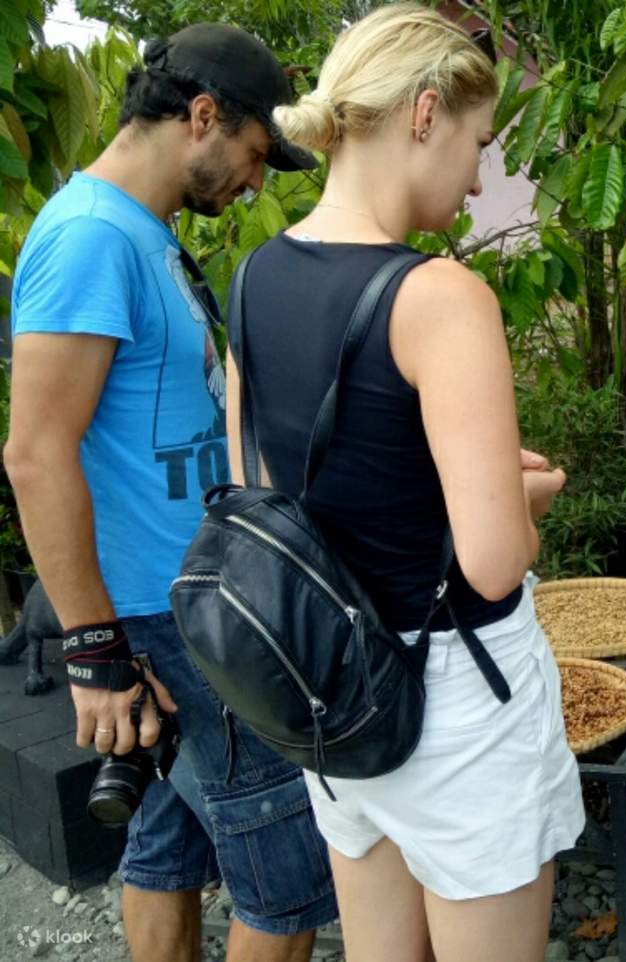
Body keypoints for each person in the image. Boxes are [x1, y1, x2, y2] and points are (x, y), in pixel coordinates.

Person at [226, 6, 585, 961]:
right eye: (475, 142)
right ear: (424, 113)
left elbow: (261, 501)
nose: (476, 178)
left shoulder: (253, 278)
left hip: (330, 690)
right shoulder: (439, 297)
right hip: (455, 690)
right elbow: (496, 562)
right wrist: (519, 502)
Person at [5, 24, 337, 962]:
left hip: (186, 602)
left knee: (166, 848)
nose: (256, 182)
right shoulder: (87, 240)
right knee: (286, 887)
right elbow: (34, 453)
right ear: (202, 117)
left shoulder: (135, 233)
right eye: (257, 154)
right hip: (173, 624)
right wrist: (96, 647)